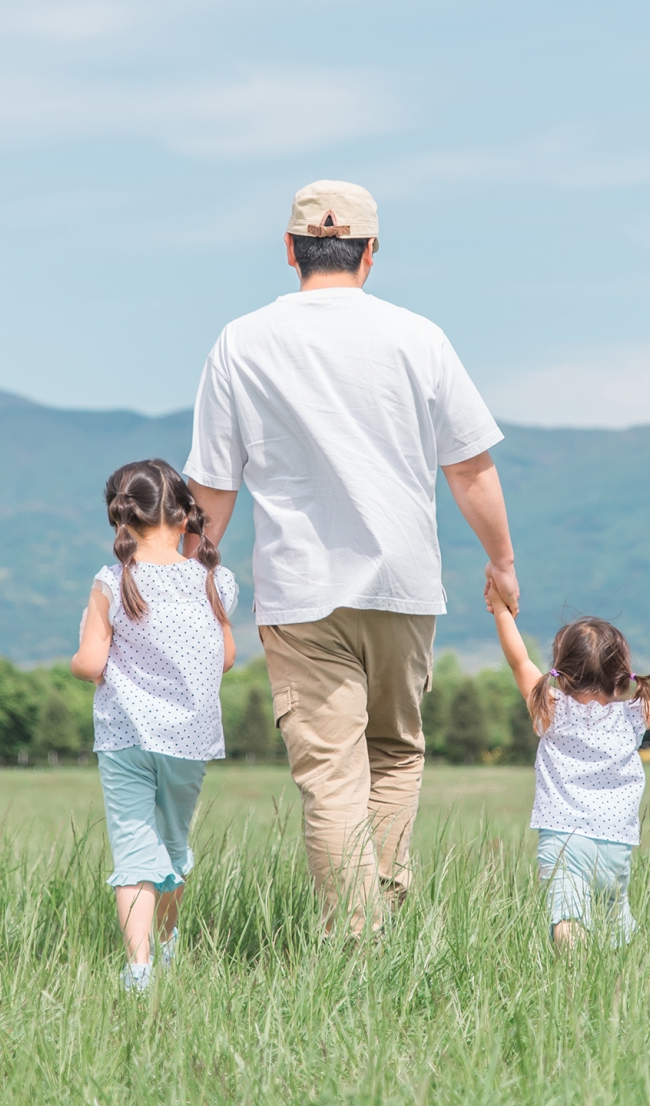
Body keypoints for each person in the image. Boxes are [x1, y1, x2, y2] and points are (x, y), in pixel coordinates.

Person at [183, 179, 516, 934]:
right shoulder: (418, 337)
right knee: (395, 756)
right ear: (370, 253)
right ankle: (380, 932)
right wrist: (502, 561)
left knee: (331, 778)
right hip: (404, 585)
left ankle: (357, 939)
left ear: (291, 251)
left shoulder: (241, 341)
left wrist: (193, 582)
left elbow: (212, 487)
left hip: (299, 594)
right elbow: (469, 468)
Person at [71, 459, 238, 991]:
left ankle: (138, 968)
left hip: (125, 739)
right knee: (173, 845)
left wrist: (78, 659)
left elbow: (92, 663)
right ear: (184, 515)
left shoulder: (112, 581)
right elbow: (227, 657)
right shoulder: (214, 580)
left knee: (134, 852)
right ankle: (169, 948)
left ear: (121, 518)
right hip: (189, 741)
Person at [487, 583, 650, 945]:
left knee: (567, 917)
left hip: (563, 838)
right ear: (620, 675)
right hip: (616, 844)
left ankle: (575, 971)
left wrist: (501, 610)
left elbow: (518, 660)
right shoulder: (631, 716)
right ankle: (619, 974)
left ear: (562, 669)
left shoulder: (551, 708)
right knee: (613, 918)